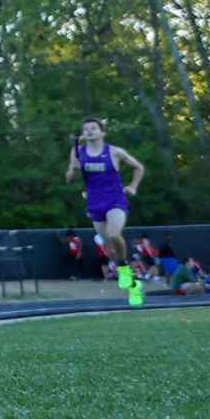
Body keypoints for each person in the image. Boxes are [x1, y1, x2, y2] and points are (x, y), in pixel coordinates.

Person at [64, 117, 145, 308]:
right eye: (86, 129)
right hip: (94, 202)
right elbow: (69, 180)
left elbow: (138, 167)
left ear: (102, 133)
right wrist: (73, 170)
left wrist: (133, 186)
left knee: (113, 234)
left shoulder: (115, 152)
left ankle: (123, 270)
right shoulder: (78, 152)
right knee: (110, 249)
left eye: (93, 128)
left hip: (115, 199)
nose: (89, 131)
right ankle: (134, 285)